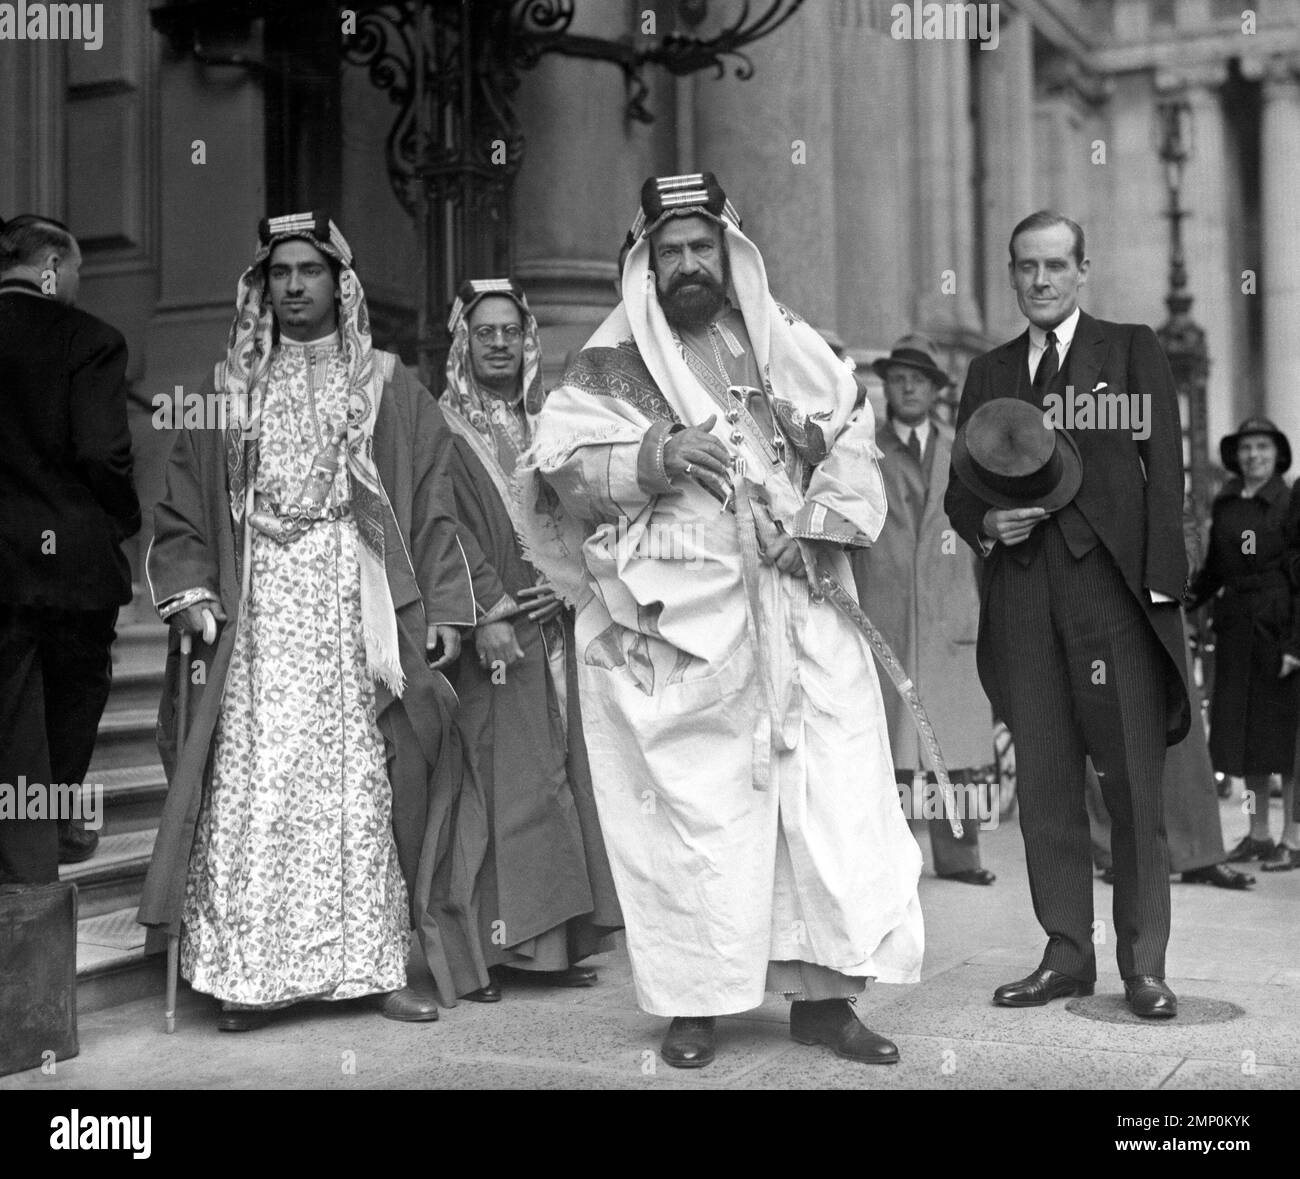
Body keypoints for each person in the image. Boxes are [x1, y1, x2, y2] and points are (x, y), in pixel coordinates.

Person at [519, 173, 923, 1069]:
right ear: (647, 265)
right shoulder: (605, 364)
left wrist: (819, 527)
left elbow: (855, 439)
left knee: (827, 805)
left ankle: (827, 999)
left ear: (731, 255)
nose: (690, 264)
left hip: (803, 610)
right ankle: (696, 1003)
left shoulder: (794, 347)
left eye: (704, 248)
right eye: (671, 252)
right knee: (697, 814)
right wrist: (653, 453)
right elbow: (560, 471)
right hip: (684, 628)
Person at [138, 211, 477, 1031]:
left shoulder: (387, 384)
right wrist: (191, 589)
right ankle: (250, 976)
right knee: (261, 779)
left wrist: (445, 603)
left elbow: (432, 500)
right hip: (261, 606)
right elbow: (181, 507)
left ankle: (369, 967)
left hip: (351, 597)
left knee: (361, 777)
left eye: (310, 271)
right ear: (264, 284)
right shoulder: (229, 387)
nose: (294, 286)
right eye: (280, 272)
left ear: (340, 283)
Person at [944, 210, 1189, 1019]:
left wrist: (1160, 594)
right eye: (1026, 267)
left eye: (1056, 265)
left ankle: (1144, 965)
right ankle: (1065, 953)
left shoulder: (1130, 349)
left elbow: (1167, 470)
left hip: (1109, 595)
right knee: (1046, 779)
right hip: (1020, 595)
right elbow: (958, 492)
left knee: (1130, 785)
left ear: (1083, 269)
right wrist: (987, 524)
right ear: (1012, 275)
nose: (1041, 280)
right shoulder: (986, 373)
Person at [428, 278, 621, 1002]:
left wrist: (574, 582)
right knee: (494, 786)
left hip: (559, 624)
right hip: (495, 632)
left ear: (528, 341)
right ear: (464, 345)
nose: (500, 343)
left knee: (555, 779)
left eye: (512, 331)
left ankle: (556, 945)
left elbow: (587, 520)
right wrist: (491, 613)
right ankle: (487, 950)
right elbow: (441, 530)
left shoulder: (549, 425)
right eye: (486, 332)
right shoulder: (442, 429)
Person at [0, 214, 139, 885]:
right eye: (78, 271)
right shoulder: (90, 340)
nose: (79, 285)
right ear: (52, 265)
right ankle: (48, 833)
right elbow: (102, 451)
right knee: (70, 705)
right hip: (71, 568)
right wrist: (122, 518)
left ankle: (23, 847)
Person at [853, 336, 996, 886]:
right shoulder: (862, 448)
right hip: (884, 608)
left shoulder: (964, 450)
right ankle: (889, 858)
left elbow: (985, 529)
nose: (907, 386)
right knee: (884, 742)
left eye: (919, 378)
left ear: (936, 390)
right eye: (897, 377)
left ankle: (961, 858)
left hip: (949, 607)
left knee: (952, 741)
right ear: (886, 387)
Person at [1187, 418, 1300, 871]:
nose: (1254, 455)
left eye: (1263, 448)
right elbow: (1214, 570)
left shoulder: (1291, 503)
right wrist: (1180, 599)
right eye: (1247, 448)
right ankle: (1257, 833)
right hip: (1235, 632)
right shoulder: (1228, 502)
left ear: (1277, 455)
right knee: (1249, 741)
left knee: (1287, 742)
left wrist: (1296, 643)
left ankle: (1292, 838)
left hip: (1277, 630)